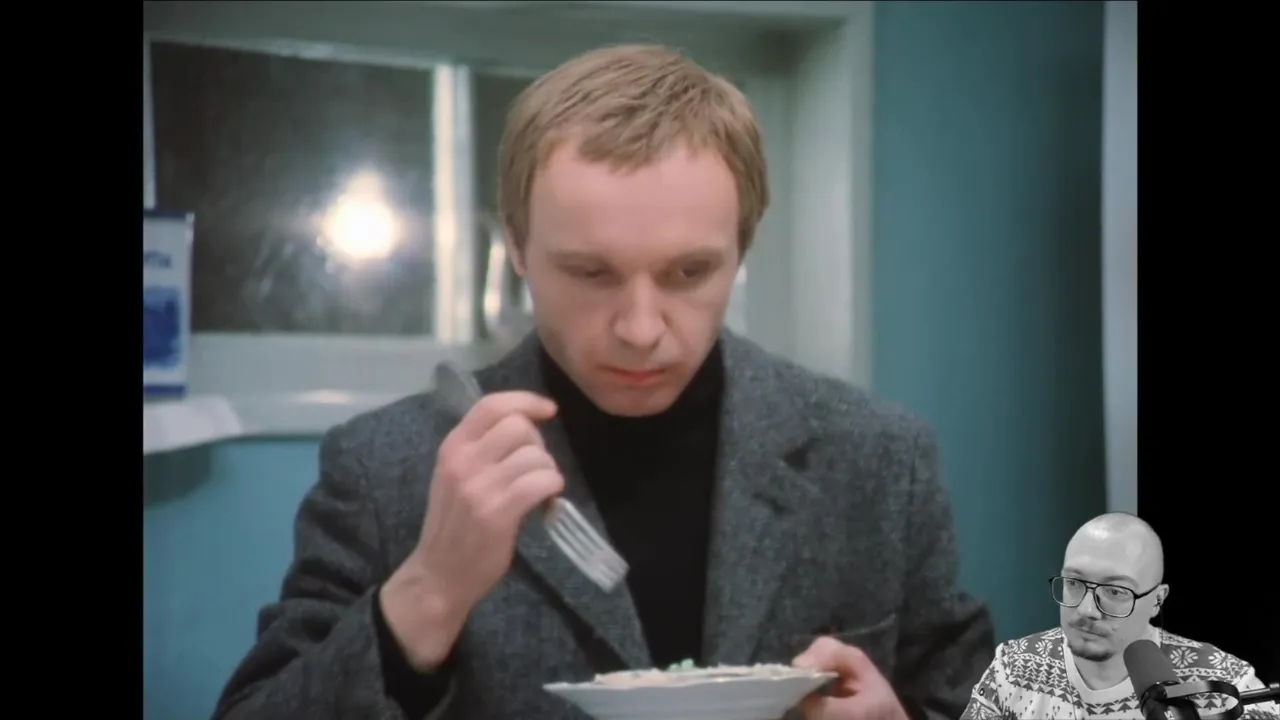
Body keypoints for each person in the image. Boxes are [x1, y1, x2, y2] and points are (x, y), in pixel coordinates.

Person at [211, 43, 995, 720]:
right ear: (517, 247)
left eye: (690, 272)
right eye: (591, 272)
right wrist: (426, 593)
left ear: (743, 246)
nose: (641, 328)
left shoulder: (877, 457)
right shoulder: (385, 469)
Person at [960, 513, 1279, 720]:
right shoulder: (1013, 668)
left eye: (1115, 591)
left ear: (1157, 600)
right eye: (1074, 583)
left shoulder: (1224, 686)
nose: (1087, 610)